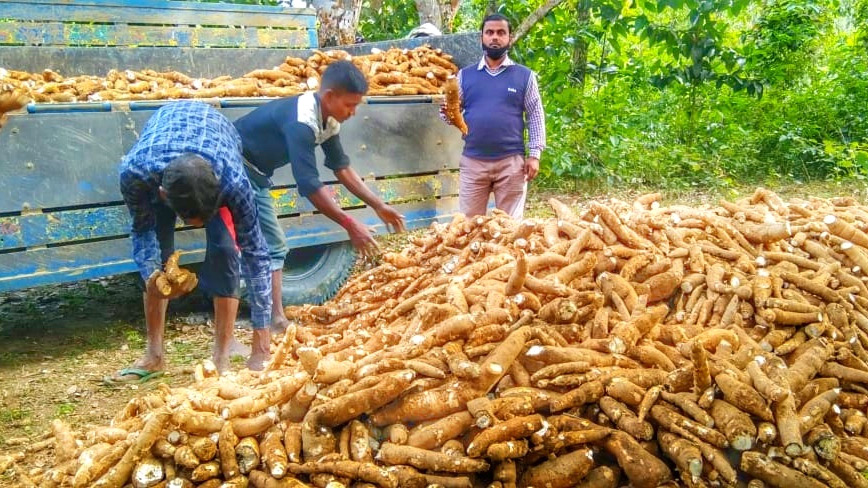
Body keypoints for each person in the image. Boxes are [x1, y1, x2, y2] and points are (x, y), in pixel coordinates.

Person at [234, 60, 406, 331]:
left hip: (255, 173)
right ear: (329, 96)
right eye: (350, 105)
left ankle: (272, 318)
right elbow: (309, 184)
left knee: (264, 245)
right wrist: (350, 224)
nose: (353, 112)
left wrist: (378, 205)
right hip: (238, 168)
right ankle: (275, 320)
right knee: (271, 245)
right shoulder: (302, 122)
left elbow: (342, 168)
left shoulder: (328, 120)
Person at [116, 100, 274, 380]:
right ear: (164, 196)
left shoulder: (233, 181)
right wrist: (153, 277)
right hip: (162, 151)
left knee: (227, 250)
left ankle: (221, 359)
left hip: (218, 137)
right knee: (160, 255)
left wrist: (261, 345)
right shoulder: (135, 173)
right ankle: (154, 356)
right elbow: (142, 232)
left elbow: (256, 253)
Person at [441, 13, 546, 220]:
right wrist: (446, 111)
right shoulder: (465, 76)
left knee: (509, 228)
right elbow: (450, 114)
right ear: (482, 37)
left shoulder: (525, 76)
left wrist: (534, 155)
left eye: (500, 33)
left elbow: (535, 115)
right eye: (489, 33)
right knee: (469, 226)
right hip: (473, 162)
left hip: (511, 163)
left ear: (509, 38)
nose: (494, 37)